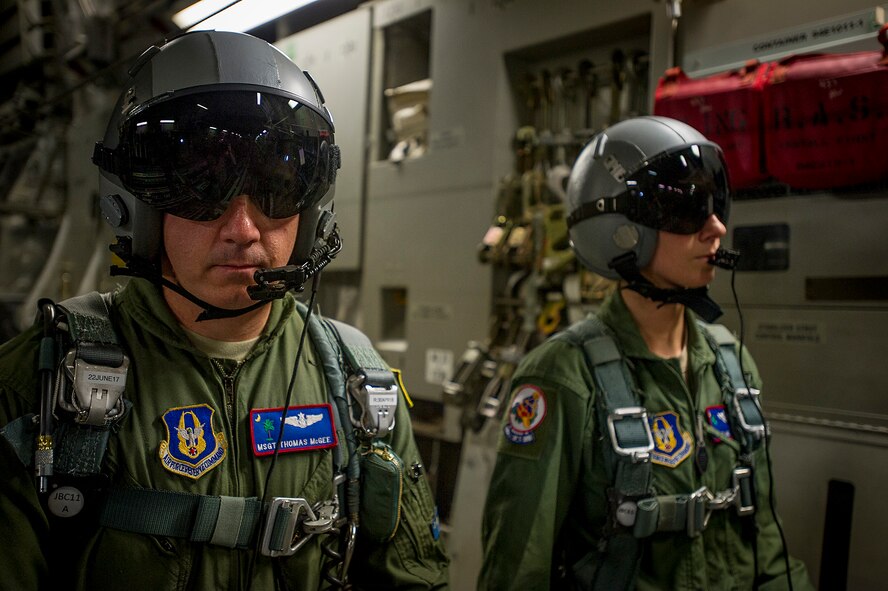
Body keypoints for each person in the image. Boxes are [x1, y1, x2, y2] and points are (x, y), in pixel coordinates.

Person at [0, 30, 449, 590]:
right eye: (200, 190)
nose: (242, 231)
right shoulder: (39, 383)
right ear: (139, 207)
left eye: (278, 190)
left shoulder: (361, 384)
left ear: (312, 216)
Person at [478, 116, 814, 590]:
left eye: (715, 204)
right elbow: (518, 569)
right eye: (688, 209)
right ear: (620, 228)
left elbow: (768, 551)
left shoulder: (730, 364)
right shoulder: (564, 377)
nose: (715, 227)